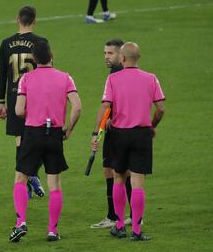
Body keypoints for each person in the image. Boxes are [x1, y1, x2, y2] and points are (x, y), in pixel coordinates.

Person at [91, 42, 165, 241]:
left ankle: (120, 226)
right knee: (138, 181)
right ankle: (138, 231)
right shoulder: (151, 78)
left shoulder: (113, 78)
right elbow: (161, 108)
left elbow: (106, 105)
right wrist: (152, 125)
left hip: (119, 135)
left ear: (122, 58)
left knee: (119, 178)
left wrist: (96, 132)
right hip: (142, 134)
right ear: (138, 58)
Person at [9, 41, 82, 242]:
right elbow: (77, 107)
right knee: (55, 184)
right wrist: (69, 128)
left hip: (33, 133)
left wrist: (33, 115)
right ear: (52, 56)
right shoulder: (66, 78)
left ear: (34, 59)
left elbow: (17, 111)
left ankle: (21, 222)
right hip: (55, 134)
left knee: (21, 178)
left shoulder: (26, 79)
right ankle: (52, 230)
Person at [0, 5, 47, 198]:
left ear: (17, 19)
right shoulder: (41, 42)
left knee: (20, 140)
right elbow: (47, 71)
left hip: (14, 96)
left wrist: (1, 102)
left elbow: (2, 73)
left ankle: (26, 180)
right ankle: (31, 175)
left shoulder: (5, 43)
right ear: (34, 21)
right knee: (37, 138)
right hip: (36, 97)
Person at [91, 38, 135, 229]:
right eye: (104, 53)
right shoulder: (119, 72)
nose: (106, 57)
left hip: (117, 130)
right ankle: (131, 216)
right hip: (120, 127)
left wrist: (97, 130)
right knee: (116, 171)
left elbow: (107, 104)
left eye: (110, 53)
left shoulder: (117, 74)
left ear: (121, 54)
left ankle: (115, 216)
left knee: (116, 171)